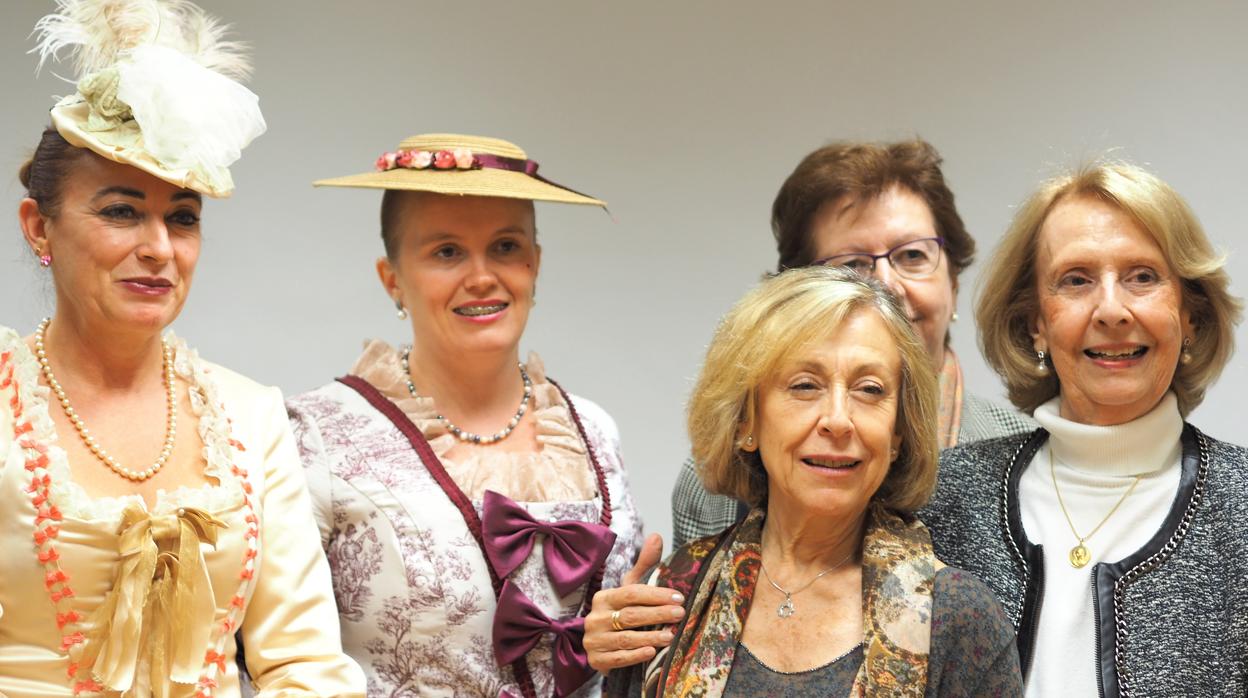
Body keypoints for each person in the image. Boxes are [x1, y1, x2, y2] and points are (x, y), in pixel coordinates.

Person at [1, 1, 365, 695]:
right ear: (38, 229)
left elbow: (305, 662)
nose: (159, 249)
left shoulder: (248, 418)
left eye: (183, 218)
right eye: (121, 211)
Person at [287, 133, 643, 697]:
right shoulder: (317, 435)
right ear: (392, 279)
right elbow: (281, 661)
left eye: (505, 247)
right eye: (447, 252)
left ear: (536, 264)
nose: (482, 276)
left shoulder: (592, 431)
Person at [590, 267, 1022, 697]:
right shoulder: (673, 598)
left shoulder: (959, 621)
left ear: (897, 433)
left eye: (869, 389)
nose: (837, 419)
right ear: (747, 420)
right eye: (804, 385)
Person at [923, 161, 1246, 696]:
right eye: (1076, 280)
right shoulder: (941, 501)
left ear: (1190, 314)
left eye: (1143, 277)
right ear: (1035, 324)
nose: (1113, 309)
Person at [671, 139, 1033, 548]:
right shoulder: (714, 481)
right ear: (800, 296)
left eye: (912, 256)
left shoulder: (1029, 461)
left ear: (951, 280)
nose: (886, 285)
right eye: (852, 265)